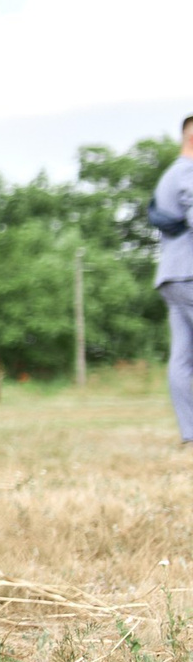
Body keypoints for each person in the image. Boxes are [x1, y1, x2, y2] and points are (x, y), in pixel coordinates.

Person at [150, 117, 193, 445]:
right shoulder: (189, 173)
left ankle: (190, 432)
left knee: (182, 356)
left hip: (171, 274)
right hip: (189, 273)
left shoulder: (169, 175)